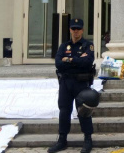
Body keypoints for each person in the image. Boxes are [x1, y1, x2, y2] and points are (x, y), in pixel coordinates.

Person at [50, 18, 95, 153]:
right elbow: (58, 63)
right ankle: (62, 139)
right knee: (64, 111)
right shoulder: (64, 46)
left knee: (84, 111)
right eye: (73, 29)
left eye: (78, 29)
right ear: (70, 29)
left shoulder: (88, 45)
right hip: (66, 83)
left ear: (82, 30)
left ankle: (88, 140)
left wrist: (68, 60)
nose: (76, 31)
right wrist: (76, 61)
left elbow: (87, 62)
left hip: (81, 83)